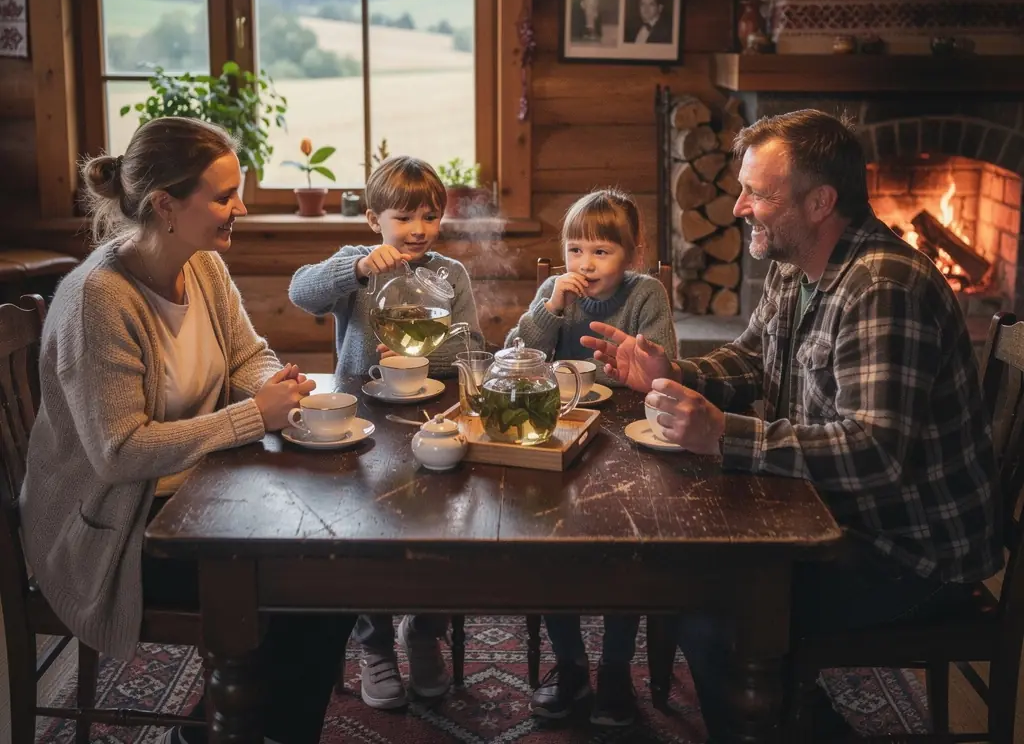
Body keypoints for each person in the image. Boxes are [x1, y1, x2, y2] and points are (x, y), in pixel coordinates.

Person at [583, 110, 1002, 742]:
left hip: (910, 552)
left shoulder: (883, 286)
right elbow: (751, 357)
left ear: (820, 202)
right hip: (832, 512)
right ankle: (799, 717)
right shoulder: (795, 264)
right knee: (695, 566)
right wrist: (672, 370)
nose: (738, 207)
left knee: (713, 610)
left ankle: (789, 724)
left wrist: (724, 435)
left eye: (758, 193)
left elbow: (877, 454)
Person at [19, 117, 356, 744]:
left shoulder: (201, 266)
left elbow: (246, 353)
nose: (242, 206)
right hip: (107, 528)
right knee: (301, 586)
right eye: (225, 195)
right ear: (165, 206)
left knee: (326, 574)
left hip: (187, 492)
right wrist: (254, 415)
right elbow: (119, 453)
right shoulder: (98, 300)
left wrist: (275, 387)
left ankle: (219, 727)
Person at [289, 154, 484, 710]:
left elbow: (472, 347)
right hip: (364, 425)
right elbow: (301, 293)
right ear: (374, 220)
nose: (417, 229)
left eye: (429, 216)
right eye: (403, 217)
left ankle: (423, 630)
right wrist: (355, 270)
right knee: (364, 534)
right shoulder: (358, 265)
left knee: (443, 529)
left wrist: (424, 354)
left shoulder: (452, 275)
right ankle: (373, 643)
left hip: (434, 418)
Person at [506, 189, 677, 727]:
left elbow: (663, 366)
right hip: (561, 433)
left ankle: (616, 669)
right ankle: (572, 663)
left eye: (601, 251)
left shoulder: (646, 293)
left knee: (625, 551)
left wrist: (625, 363)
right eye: (575, 249)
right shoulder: (556, 293)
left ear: (632, 254)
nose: (585, 263)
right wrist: (549, 307)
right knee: (549, 544)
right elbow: (515, 357)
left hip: (628, 433)